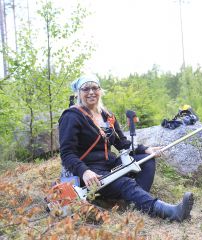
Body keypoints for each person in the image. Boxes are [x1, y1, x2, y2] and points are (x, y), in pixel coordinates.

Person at [58, 74, 193, 222]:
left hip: (108, 164)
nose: (91, 92)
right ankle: (171, 213)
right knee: (125, 182)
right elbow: (66, 153)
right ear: (79, 92)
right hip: (88, 173)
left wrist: (146, 149)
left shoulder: (107, 115)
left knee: (146, 160)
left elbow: (121, 142)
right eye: (86, 89)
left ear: (100, 90)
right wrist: (84, 171)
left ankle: (136, 203)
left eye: (95, 88)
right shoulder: (72, 116)